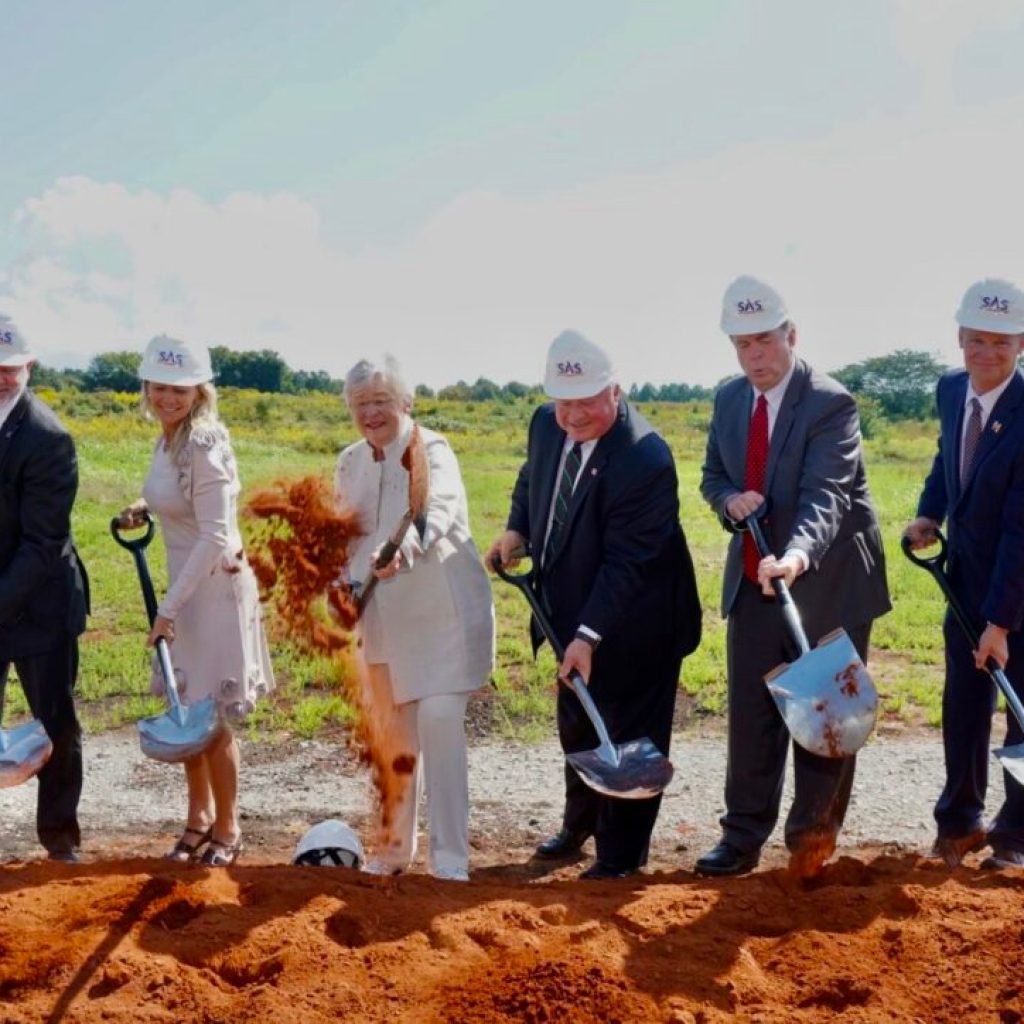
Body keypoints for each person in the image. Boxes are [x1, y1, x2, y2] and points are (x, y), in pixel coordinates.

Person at [488, 330, 701, 879]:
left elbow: (628, 564)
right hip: (570, 607)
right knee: (579, 723)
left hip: (639, 621)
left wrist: (589, 636)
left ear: (616, 391)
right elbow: (533, 477)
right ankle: (579, 824)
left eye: (587, 401)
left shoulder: (644, 457)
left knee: (628, 735)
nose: (574, 415)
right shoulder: (546, 422)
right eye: (565, 402)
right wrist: (517, 530)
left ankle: (621, 855)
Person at [698, 276, 890, 878]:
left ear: (791, 335)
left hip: (828, 580)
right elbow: (712, 475)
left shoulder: (831, 403)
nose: (753, 356)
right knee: (753, 715)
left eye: (763, 341)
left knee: (824, 710)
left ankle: (812, 838)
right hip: (756, 577)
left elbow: (826, 496)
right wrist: (728, 500)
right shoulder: (730, 399)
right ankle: (741, 837)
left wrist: (799, 554)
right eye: (741, 345)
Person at [334, 356, 495, 882]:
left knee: (441, 721)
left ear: (406, 403)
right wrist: (339, 579)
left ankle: (450, 862)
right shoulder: (350, 461)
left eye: (381, 400)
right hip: (379, 618)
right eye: (361, 404)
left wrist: (402, 546)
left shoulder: (432, 450)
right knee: (392, 736)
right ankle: (392, 851)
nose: (371, 412)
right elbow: (345, 533)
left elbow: (440, 508)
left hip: (442, 614)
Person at [118, 334, 273, 867]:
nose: (168, 397)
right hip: (185, 587)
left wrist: (168, 610)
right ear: (147, 388)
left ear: (199, 390)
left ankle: (227, 828)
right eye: (160, 387)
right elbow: (178, 500)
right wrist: (145, 506)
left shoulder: (206, 443)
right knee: (184, 708)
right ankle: (197, 819)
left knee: (208, 716)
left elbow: (214, 535)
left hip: (210, 589)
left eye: (180, 389)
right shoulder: (169, 439)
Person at [904, 278, 1024, 870]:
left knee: (1018, 708)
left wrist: (1000, 622)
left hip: (1019, 586)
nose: (986, 353)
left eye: (1000, 342)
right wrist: (930, 512)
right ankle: (959, 820)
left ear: (1021, 344)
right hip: (964, 579)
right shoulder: (951, 390)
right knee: (964, 703)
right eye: (976, 340)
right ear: (958, 338)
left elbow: (1021, 530)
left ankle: (1016, 837)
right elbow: (946, 456)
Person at [0, 316, 89, 862]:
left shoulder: (47, 438)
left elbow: (42, 543)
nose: (2, 379)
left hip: (41, 605)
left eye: (11, 369)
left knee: (54, 723)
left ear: (29, 367)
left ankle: (60, 842)